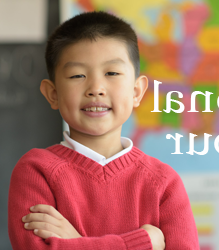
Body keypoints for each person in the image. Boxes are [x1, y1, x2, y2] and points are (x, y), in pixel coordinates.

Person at [8, 11, 199, 250]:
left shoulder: (163, 183)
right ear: (53, 94)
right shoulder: (36, 171)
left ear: (137, 92)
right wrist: (141, 242)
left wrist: (74, 241)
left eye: (112, 73)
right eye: (77, 75)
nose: (96, 88)